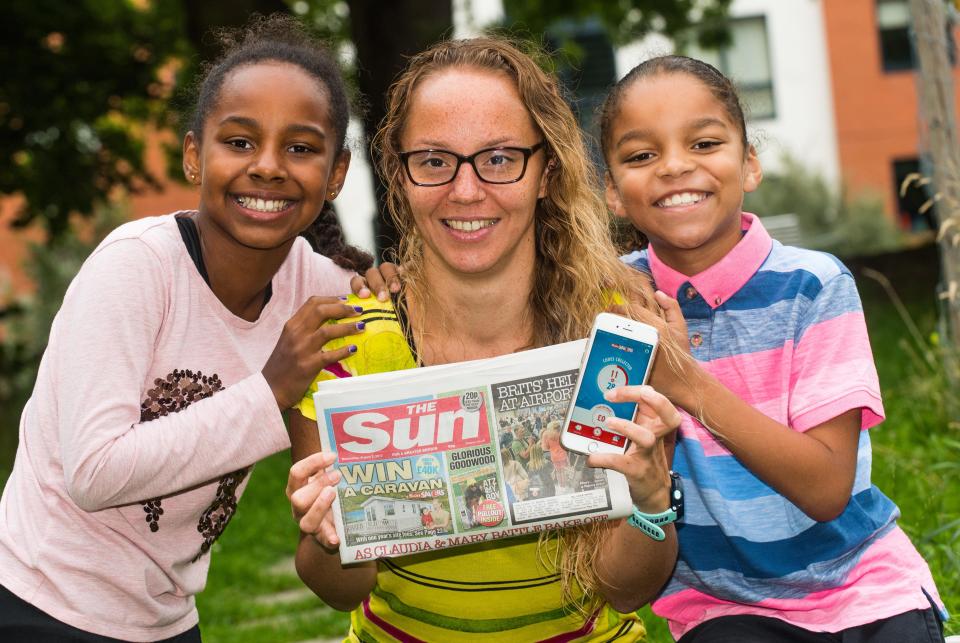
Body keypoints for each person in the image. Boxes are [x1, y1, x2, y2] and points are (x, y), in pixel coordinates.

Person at [285, 37, 689, 642]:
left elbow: (625, 588)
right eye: (434, 160)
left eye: (499, 158)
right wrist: (326, 536)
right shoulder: (350, 346)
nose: (466, 191)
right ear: (400, 173)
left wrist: (653, 503)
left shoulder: (618, 336)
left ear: (546, 171)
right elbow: (339, 586)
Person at [0, 16, 373, 642]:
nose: (270, 167)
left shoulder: (320, 291)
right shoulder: (136, 267)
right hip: (39, 603)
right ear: (194, 155)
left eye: (301, 148)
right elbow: (92, 473)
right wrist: (271, 388)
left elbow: (407, 331)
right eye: (240, 142)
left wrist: (384, 286)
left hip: (167, 619)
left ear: (336, 174)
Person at [599, 54, 947, 642]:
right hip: (725, 609)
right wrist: (395, 277)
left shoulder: (814, 285)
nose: (675, 167)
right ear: (612, 192)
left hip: (863, 585)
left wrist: (683, 382)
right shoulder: (608, 297)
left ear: (750, 164)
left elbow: (827, 489)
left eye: (705, 143)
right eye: (641, 155)